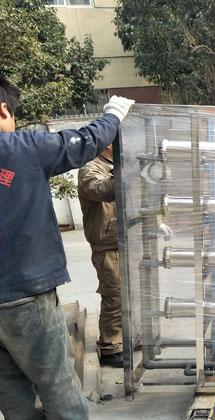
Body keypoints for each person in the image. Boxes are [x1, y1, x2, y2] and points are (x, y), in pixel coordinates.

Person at [0, 73, 134, 419]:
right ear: (3, 110)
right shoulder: (20, 148)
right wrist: (113, 115)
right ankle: (110, 346)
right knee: (58, 386)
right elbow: (84, 141)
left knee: (12, 395)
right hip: (24, 293)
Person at [78, 144, 123, 368]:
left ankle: (129, 335)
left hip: (129, 240)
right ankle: (110, 346)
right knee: (114, 294)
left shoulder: (120, 165)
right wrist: (124, 172)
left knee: (134, 294)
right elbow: (101, 190)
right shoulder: (90, 168)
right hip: (107, 244)